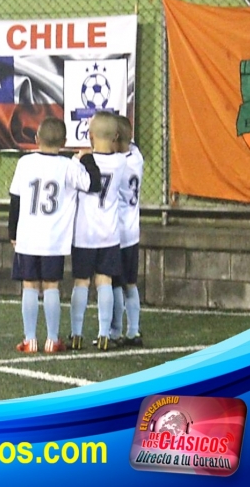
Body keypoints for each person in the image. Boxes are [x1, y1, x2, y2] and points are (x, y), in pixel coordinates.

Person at [9, 117, 101, 354]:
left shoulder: (25, 163)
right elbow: (93, 184)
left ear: (36, 139)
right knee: (51, 286)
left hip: (28, 237)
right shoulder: (69, 166)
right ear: (64, 142)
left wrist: (12, 232)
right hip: (54, 240)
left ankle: (30, 340)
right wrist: (87, 158)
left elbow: (15, 200)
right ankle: (52, 339)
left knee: (29, 285)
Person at [69, 112, 128, 351]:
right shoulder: (121, 162)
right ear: (115, 136)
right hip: (109, 233)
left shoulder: (79, 162)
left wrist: (83, 157)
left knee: (81, 282)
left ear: (90, 135)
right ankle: (104, 333)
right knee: (105, 281)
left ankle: (76, 333)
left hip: (84, 233)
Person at [110, 116, 144, 347]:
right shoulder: (137, 156)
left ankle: (115, 331)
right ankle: (134, 330)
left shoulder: (117, 164)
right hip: (133, 233)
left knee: (114, 284)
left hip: (116, 233)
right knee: (130, 283)